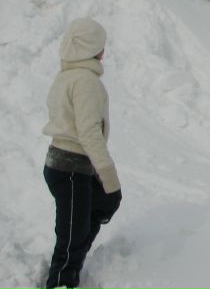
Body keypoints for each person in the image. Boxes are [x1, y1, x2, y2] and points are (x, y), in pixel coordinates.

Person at [42, 18, 122, 289]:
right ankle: (61, 280)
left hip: (63, 164)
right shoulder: (85, 81)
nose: (104, 52)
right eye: (100, 46)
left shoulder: (67, 76)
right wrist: (108, 174)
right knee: (72, 234)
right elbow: (88, 132)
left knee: (104, 204)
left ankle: (72, 262)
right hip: (71, 168)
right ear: (90, 48)